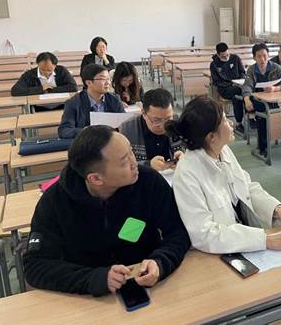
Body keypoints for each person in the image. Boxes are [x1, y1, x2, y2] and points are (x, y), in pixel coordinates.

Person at [23, 125, 191, 296]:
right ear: (96, 178)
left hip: (147, 288)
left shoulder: (149, 182)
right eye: (124, 162)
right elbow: (35, 266)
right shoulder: (55, 201)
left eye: (131, 152)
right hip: (87, 298)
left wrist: (160, 262)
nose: (135, 163)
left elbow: (178, 232)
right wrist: (93, 279)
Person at [167, 96, 281, 254]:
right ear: (211, 137)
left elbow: (246, 187)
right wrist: (264, 240)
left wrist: (277, 209)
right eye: (225, 120)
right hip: (218, 253)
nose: (231, 123)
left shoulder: (222, 150)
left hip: (245, 242)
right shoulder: (187, 174)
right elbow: (204, 235)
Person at [242, 43, 281, 157]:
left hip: (273, 99)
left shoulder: (276, 67)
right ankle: (262, 147)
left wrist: (275, 88)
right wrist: (247, 99)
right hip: (258, 100)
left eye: (264, 55)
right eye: (259, 56)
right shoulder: (251, 70)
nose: (262, 59)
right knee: (262, 114)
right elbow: (247, 86)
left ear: (268, 55)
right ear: (254, 57)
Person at [119, 88, 183, 172]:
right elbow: (122, 165)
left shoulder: (180, 123)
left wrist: (186, 157)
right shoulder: (127, 129)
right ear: (144, 113)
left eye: (168, 119)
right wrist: (149, 164)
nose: (163, 126)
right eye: (157, 121)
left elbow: (196, 152)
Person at [58, 64, 125, 139]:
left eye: (108, 79)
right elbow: (64, 131)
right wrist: (86, 131)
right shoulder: (74, 103)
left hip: (111, 140)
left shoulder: (114, 99)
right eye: (103, 79)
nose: (108, 83)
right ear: (89, 83)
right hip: (87, 142)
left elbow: (125, 124)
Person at [209, 42, 246, 133]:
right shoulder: (214, 64)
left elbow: (242, 73)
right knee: (240, 92)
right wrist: (231, 84)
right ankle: (241, 122)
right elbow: (217, 82)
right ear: (218, 55)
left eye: (227, 55)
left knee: (237, 96)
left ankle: (244, 120)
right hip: (224, 89)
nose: (226, 57)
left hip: (238, 85)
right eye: (223, 56)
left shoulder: (235, 58)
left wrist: (240, 80)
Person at [11, 52, 77, 98]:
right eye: (42, 69)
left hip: (61, 103)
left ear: (55, 66)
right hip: (38, 106)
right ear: (38, 64)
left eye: (49, 70)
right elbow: (15, 91)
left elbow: (73, 87)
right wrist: (41, 88)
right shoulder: (29, 74)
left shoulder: (61, 70)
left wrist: (51, 89)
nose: (46, 73)